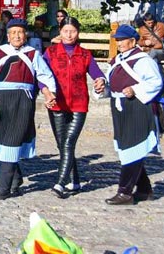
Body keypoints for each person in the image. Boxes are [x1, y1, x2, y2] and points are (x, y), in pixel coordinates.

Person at [0, 18, 57, 200]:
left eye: (20, 32)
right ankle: (16, 177)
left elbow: (45, 75)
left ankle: (3, 187)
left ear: (26, 35)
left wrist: (50, 93)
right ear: (7, 36)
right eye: (13, 32)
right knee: (3, 140)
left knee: (13, 140)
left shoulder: (33, 54)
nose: (16, 36)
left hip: (22, 101)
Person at [94, 24, 162, 205]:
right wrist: (102, 87)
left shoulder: (143, 60)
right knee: (127, 148)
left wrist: (135, 89)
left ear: (132, 41)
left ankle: (125, 191)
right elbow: (111, 85)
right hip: (119, 107)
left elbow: (156, 82)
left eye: (123, 39)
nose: (120, 43)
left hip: (137, 107)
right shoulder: (116, 61)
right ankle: (145, 190)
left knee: (134, 147)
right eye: (118, 40)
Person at [43, 16, 106, 198]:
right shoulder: (51, 53)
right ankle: (75, 181)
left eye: (73, 31)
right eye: (65, 31)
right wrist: (46, 91)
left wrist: (100, 80)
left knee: (69, 142)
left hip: (78, 104)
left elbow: (96, 72)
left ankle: (60, 183)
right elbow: (41, 74)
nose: (69, 35)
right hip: (56, 104)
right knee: (62, 144)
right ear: (60, 32)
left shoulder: (85, 54)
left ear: (78, 33)